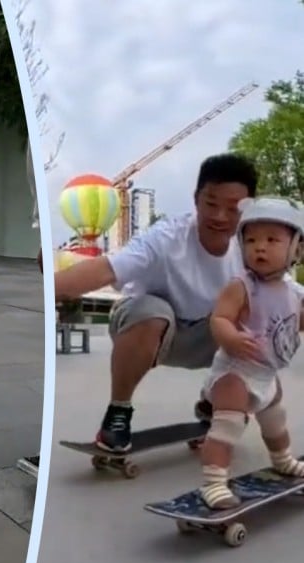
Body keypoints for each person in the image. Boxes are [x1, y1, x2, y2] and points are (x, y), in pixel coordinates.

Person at [55, 153, 258, 453]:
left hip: (209, 337)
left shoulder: (254, 248)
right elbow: (105, 269)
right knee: (152, 311)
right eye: (211, 204)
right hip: (148, 331)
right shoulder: (166, 237)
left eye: (233, 209)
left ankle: (215, 403)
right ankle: (118, 414)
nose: (220, 217)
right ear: (196, 200)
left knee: (265, 316)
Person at [196, 197, 304, 509]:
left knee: (276, 423)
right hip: (235, 374)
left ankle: (282, 459)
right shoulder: (242, 286)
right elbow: (219, 318)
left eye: (272, 240)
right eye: (252, 240)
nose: (260, 248)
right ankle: (213, 482)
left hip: (267, 375)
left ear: (296, 249)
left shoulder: (294, 292)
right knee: (228, 427)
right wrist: (230, 337)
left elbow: (296, 322)